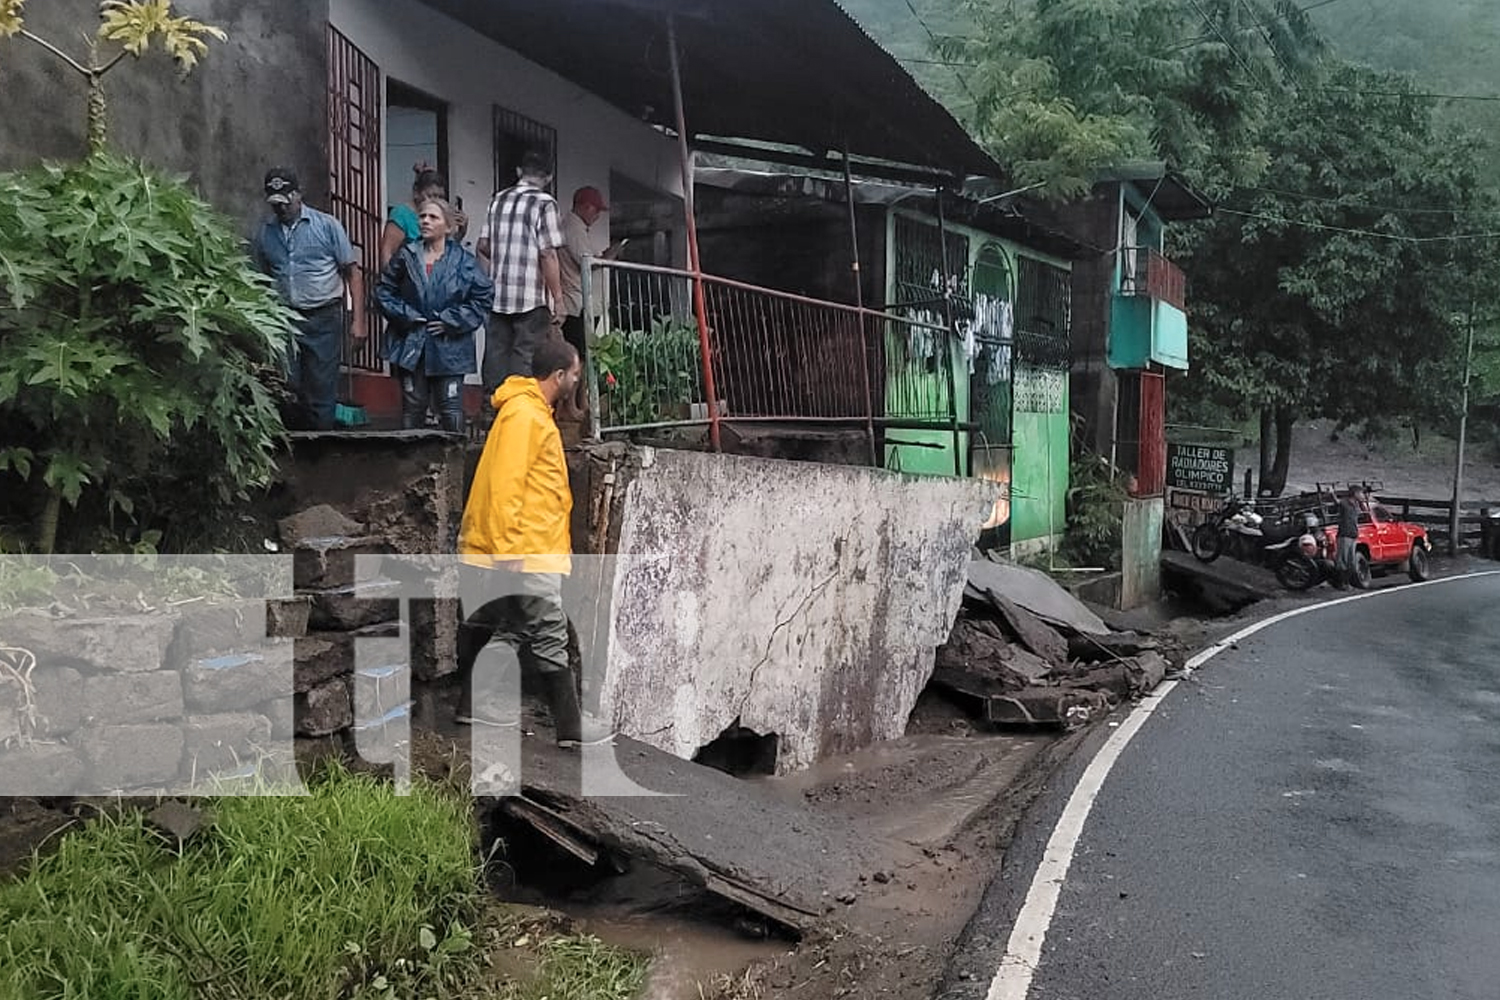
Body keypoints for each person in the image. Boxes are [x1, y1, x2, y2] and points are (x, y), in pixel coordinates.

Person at [454, 339, 606, 747]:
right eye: (575, 373)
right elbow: (507, 487)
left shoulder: (530, 413)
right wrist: (512, 551)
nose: (577, 379)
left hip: (533, 545)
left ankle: (472, 703)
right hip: (528, 548)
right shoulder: (526, 417)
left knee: (518, 626)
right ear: (558, 376)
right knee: (550, 629)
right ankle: (571, 729)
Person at [251, 167, 367, 431]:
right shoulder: (264, 233)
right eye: (275, 203)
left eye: (286, 201)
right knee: (286, 386)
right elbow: (259, 278)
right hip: (285, 319)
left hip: (323, 317)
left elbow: (352, 273)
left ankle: (322, 454)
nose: (281, 209)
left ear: (298, 194)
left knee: (321, 389)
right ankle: (294, 449)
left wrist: (358, 321)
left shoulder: (327, 226)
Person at [376, 197, 494, 432]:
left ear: (448, 226)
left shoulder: (463, 261)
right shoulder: (406, 255)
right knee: (413, 407)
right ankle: (412, 465)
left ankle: (452, 464)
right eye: (422, 216)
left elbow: (483, 298)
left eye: (433, 217)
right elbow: (382, 291)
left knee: (450, 408)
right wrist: (406, 315)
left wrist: (452, 320)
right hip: (411, 342)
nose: (425, 221)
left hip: (449, 346)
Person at [476, 150, 565, 402]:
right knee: (525, 356)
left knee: (495, 354)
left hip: (499, 295)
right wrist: (558, 299)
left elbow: (483, 245)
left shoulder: (498, 200)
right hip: (531, 296)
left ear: (518, 172)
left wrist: (504, 259)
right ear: (548, 177)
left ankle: (491, 411)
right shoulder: (545, 203)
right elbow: (548, 254)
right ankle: (520, 409)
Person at [558, 185, 625, 420]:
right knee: (576, 356)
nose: (597, 217)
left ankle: (580, 401)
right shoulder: (573, 227)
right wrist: (607, 257)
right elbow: (586, 261)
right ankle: (570, 406)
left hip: (581, 301)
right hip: (574, 301)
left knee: (583, 354)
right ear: (586, 207)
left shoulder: (577, 228)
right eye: (596, 211)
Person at [379, 166, 466, 268]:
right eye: (431, 195)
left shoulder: (438, 217)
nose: (435, 201)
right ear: (417, 193)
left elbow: (444, 252)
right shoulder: (401, 214)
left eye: (440, 197)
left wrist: (461, 232)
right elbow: (387, 253)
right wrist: (391, 281)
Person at [1336, 486, 1366, 588]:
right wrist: (1331, 494)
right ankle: (1342, 583)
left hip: (1353, 535)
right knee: (1343, 560)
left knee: (1350, 561)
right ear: (1355, 493)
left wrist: (1362, 502)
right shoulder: (1344, 503)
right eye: (1361, 493)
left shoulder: (1356, 505)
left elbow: (1365, 512)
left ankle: (1347, 582)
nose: (1362, 495)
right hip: (1344, 534)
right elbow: (1337, 502)